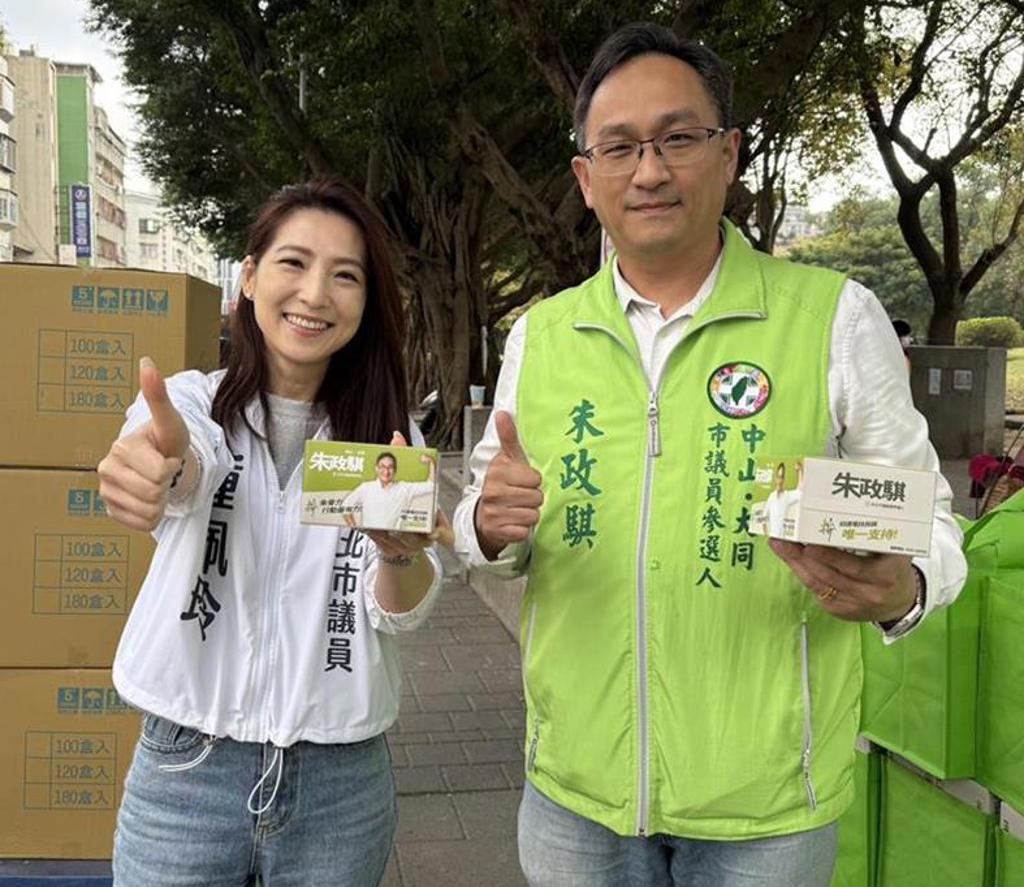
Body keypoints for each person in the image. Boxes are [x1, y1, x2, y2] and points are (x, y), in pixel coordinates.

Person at [454, 24, 967, 887]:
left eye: (677, 138)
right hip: (574, 796)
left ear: (728, 155)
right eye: (618, 147)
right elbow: (487, 528)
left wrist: (904, 586)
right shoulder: (540, 336)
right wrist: (487, 526)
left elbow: (933, 525)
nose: (649, 170)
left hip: (766, 811)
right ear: (586, 178)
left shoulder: (833, 318)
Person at [98, 179, 447, 886]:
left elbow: (398, 611)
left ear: (367, 301)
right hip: (185, 775)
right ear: (250, 277)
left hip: (339, 784)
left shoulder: (382, 438)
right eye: (293, 262)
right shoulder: (192, 402)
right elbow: (183, 465)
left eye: (345, 275)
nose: (316, 294)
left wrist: (399, 556)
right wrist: (155, 469)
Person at [342, 450, 437, 531]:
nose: (386, 472)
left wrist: (432, 462)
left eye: (390, 467)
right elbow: (346, 505)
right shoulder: (366, 488)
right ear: (376, 468)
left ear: (395, 470)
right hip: (368, 541)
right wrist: (355, 530)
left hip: (395, 542)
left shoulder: (404, 488)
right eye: (382, 467)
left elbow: (431, 486)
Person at [758, 460, 802, 539]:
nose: (779, 480)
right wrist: (766, 534)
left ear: (783, 479)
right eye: (778, 476)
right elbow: (764, 516)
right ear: (775, 478)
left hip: (782, 537)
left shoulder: (786, 495)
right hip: (772, 536)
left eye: (781, 477)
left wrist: (800, 471)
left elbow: (799, 492)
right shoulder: (771, 496)